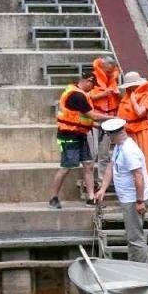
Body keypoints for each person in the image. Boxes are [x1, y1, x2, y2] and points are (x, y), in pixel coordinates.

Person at [93, 117, 148, 263]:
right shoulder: (120, 146)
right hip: (128, 198)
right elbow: (111, 167)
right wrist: (103, 189)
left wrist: (140, 201)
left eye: (108, 135)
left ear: (112, 135)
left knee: (135, 237)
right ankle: (134, 265)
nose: (108, 138)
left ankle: (141, 269)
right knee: (132, 235)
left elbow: (138, 176)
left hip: (134, 200)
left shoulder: (128, 151)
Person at [47, 73, 108, 209]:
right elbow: (92, 116)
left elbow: (80, 119)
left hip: (80, 134)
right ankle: (53, 197)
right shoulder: (77, 95)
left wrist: (99, 126)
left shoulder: (77, 92)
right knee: (66, 167)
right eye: (92, 85)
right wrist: (111, 118)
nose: (92, 89)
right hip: (69, 136)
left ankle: (91, 198)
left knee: (88, 165)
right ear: (87, 81)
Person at [115, 71, 148, 190]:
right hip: (127, 131)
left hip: (141, 130)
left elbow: (140, 112)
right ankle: (134, 184)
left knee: (145, 156)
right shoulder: (126, 96)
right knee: (130, 158)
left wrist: (134, 100)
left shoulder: (146, 96)